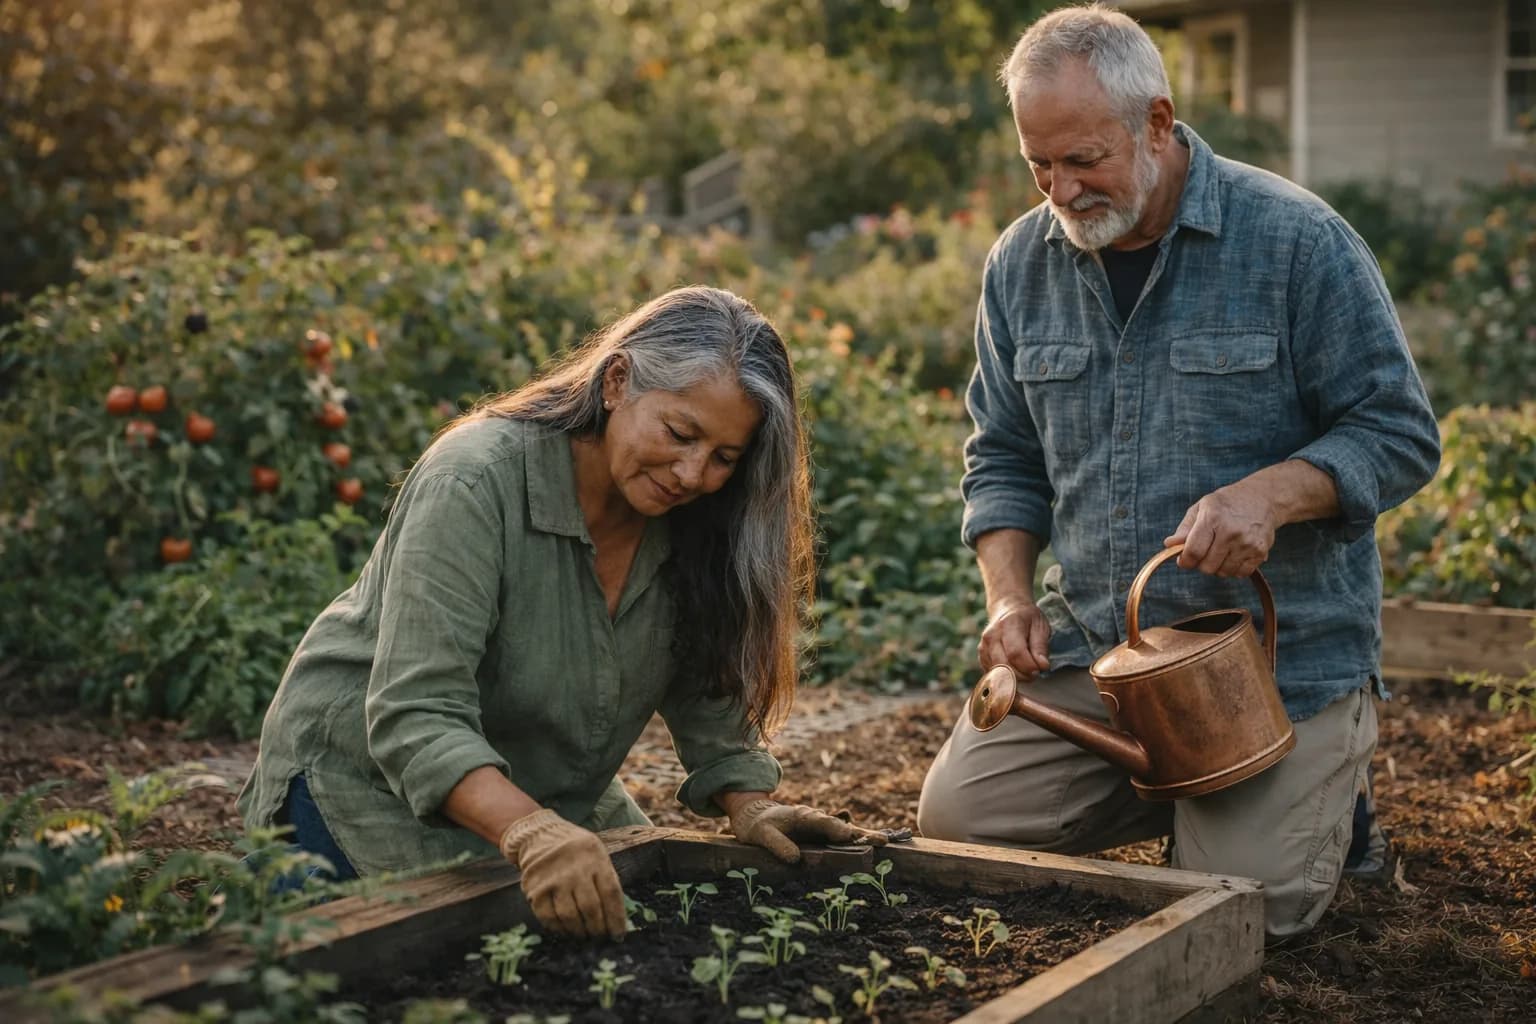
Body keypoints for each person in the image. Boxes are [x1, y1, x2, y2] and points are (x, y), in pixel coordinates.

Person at [916, 5, 1440, 940]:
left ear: (1156, 123)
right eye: (1039, 165)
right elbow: (1001, 454)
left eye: (1084, 160)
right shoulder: (1019, 266)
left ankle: (1321, 802)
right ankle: (1213, 805)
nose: (1061, 191)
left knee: (1235, 915)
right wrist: (1006, 599)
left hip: (1276, 667)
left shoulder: (1295, 242)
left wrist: (1272, 495)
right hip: (1105, 661)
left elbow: (1398, 432)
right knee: (961, 826)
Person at [237, 286, 885, 940]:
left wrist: (750, 805)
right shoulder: (474, 480)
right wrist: (529, 829)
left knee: (642, 932)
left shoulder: (686, 512)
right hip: (363, 784)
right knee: (447, 967)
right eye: (680, 433)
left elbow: (703, 675)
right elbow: (415, 712)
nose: (693, 473)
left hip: (538, 779)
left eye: (724, 457)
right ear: (617, 381)